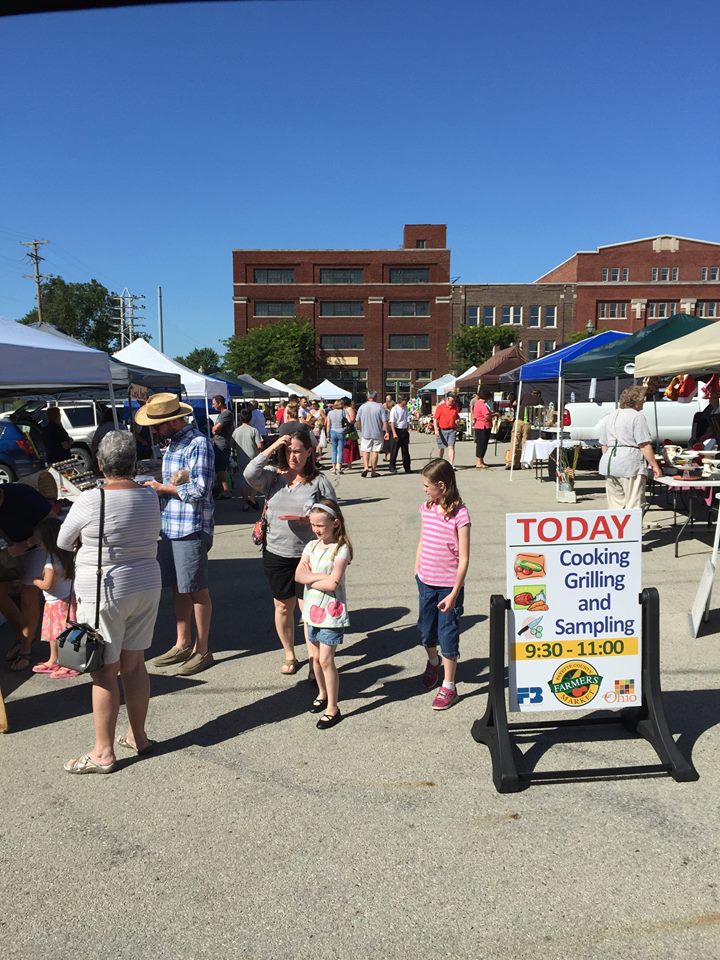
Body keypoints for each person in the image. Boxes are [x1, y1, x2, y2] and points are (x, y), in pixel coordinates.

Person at [58, 430, 162, 774]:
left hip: (106, 588)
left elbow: (63, 539)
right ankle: (138, 735)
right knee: (135, 664)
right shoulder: (149, 497)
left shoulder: (91, 500)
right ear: (133, 463)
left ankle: (102, 752)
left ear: (100, 464)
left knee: (104, 671)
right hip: (146, 583)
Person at [244, 431, 337, 676]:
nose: (292, 455)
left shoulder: (319, 481)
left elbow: (333, 514)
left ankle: (314, 659)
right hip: (276, 551)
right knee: (283, 607)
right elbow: (249, 473)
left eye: (297, 450)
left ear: (309, 452)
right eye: (288, 450)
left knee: (309, 609)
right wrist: (274, 446)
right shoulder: (273, 477)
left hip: (309, 554)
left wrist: (313, 519)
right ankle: (289, 653)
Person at [137, 393, 216, 677]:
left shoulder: (197, 443)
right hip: (172, 525)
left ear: (172, 421)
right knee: (177, 586)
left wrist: (161, 489)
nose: (155, 430)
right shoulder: (174, 444)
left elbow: (201, 490)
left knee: (195, 588)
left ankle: (202, 649)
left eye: (157, 425)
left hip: (191, 526)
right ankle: (183, 642)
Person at [415, 458, 471, 710]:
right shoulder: (426, 508)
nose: (424, 489)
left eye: (427, 485)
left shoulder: (460, 515)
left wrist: (455, 592)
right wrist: (417, 567)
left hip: (449, 587)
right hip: (425, 581)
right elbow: (423, 538)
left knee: (447, 635)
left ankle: (449, 686)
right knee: (426, 632)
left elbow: (465, 556)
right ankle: (433, 662)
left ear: (441, 485)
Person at [295, 499, 352, 730]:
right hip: (311, 612)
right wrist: (321, 578)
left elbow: (333, 583)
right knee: (315, 658)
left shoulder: (341, 549)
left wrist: (313, 578)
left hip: (331, 613)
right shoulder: (311, 546)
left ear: (335, 523)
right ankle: (322, 692)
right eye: (313, 525)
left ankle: (333, 707)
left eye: (321, 525)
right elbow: (298, 576)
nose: (316, 529)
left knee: (327, 660)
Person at [0, 483, 53, 672]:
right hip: (9, 552)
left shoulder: (22, 494)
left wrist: (27, 543)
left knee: (27, 592)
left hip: (39, 546)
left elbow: (52, 524)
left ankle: (26, 649)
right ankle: (23, 635)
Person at [598, 385, 663, 510]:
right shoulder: (637, 416)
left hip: (609, 464)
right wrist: (654, 465)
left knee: (615, 506)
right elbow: (644, 444)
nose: (644, 400)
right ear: (636, 400)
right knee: (634, 504)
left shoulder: (610, 416)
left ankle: (617, 529)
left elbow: (604, 444)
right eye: (643, 398)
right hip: (629, 463)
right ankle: (632, 529)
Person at [30, 516, 78, 678]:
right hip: (68, 599)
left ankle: (57, 660)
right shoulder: (67, 555)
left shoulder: (50, 561)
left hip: (55, 603)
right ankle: (64, 660)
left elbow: (47, 584)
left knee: (55, 635)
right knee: (68, 633)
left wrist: (36, 581)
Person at [231, 408, 262, 510]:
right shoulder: (254, 430)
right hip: (253, 458)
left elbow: (233, 446)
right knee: (256, 479)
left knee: (243, 480)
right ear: (251, 418)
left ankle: (245, 502)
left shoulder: (236, 431)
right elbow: (259, 445)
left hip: (241, 458)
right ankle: (252, 498)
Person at [355, 390, 389, 478]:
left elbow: (357, 419)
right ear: (375, 397)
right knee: (375, 451)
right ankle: (373, 471)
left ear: (367, 397)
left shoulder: (362, 407)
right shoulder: (380, 406)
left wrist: (360, 428)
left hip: (366, 433)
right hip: (377, 433)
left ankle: (366, 467)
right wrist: (387, 432)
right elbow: (384, 420)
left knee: (366, 451)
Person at [210, 394, 234, 499]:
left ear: (219, 403)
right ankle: (222, 490)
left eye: (214, 403)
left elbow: (215, 429)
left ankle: (225, 491)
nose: (212, 406)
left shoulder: (226, 414)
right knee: (219, 468)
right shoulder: (222, 414)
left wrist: (214, 429)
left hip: (222, 444)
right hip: (219, 443)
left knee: (220, 468)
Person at [433, 393, 461, 468]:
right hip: (442, 430)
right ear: (447, 399)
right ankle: (440, 461)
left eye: (454, 400)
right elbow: (435, 419)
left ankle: (451, 464)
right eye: (452, 400)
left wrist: (458, 420)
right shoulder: (441, 407)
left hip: (452, 430)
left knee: (451, 446)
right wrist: (436, 430)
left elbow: (457, 416)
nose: (453, 402)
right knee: (441, 447)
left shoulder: (455, 407)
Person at [388, 395, 412, 474]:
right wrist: (394, 433)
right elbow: (392, 422)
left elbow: (406, 418)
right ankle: (392, 467)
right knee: (394, 450)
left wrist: (408, 426)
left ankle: (407, 467)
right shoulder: (394, 409)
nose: (406, 402)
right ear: (401, 401)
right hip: (397, 430)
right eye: (405, 401)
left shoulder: (405, 408)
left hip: (404, 431)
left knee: (405, 450)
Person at [471, 390, 493, 469]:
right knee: (482, 444)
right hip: (483, 426)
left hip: (479, 425)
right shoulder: (482, 404)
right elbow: (486, 415)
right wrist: (494, 415)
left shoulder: (477, 403)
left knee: (480, 444)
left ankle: (480, 460)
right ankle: (479, 462)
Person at [326, 399, 348, 475]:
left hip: (333, 431)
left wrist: (327, 435)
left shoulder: (330, 412)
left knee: (334, 451)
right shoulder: (344, 412)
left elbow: (328, 425)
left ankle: (334, 468)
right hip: (341, 431)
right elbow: (348, 420)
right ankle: (339, 468)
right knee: (340, 450)